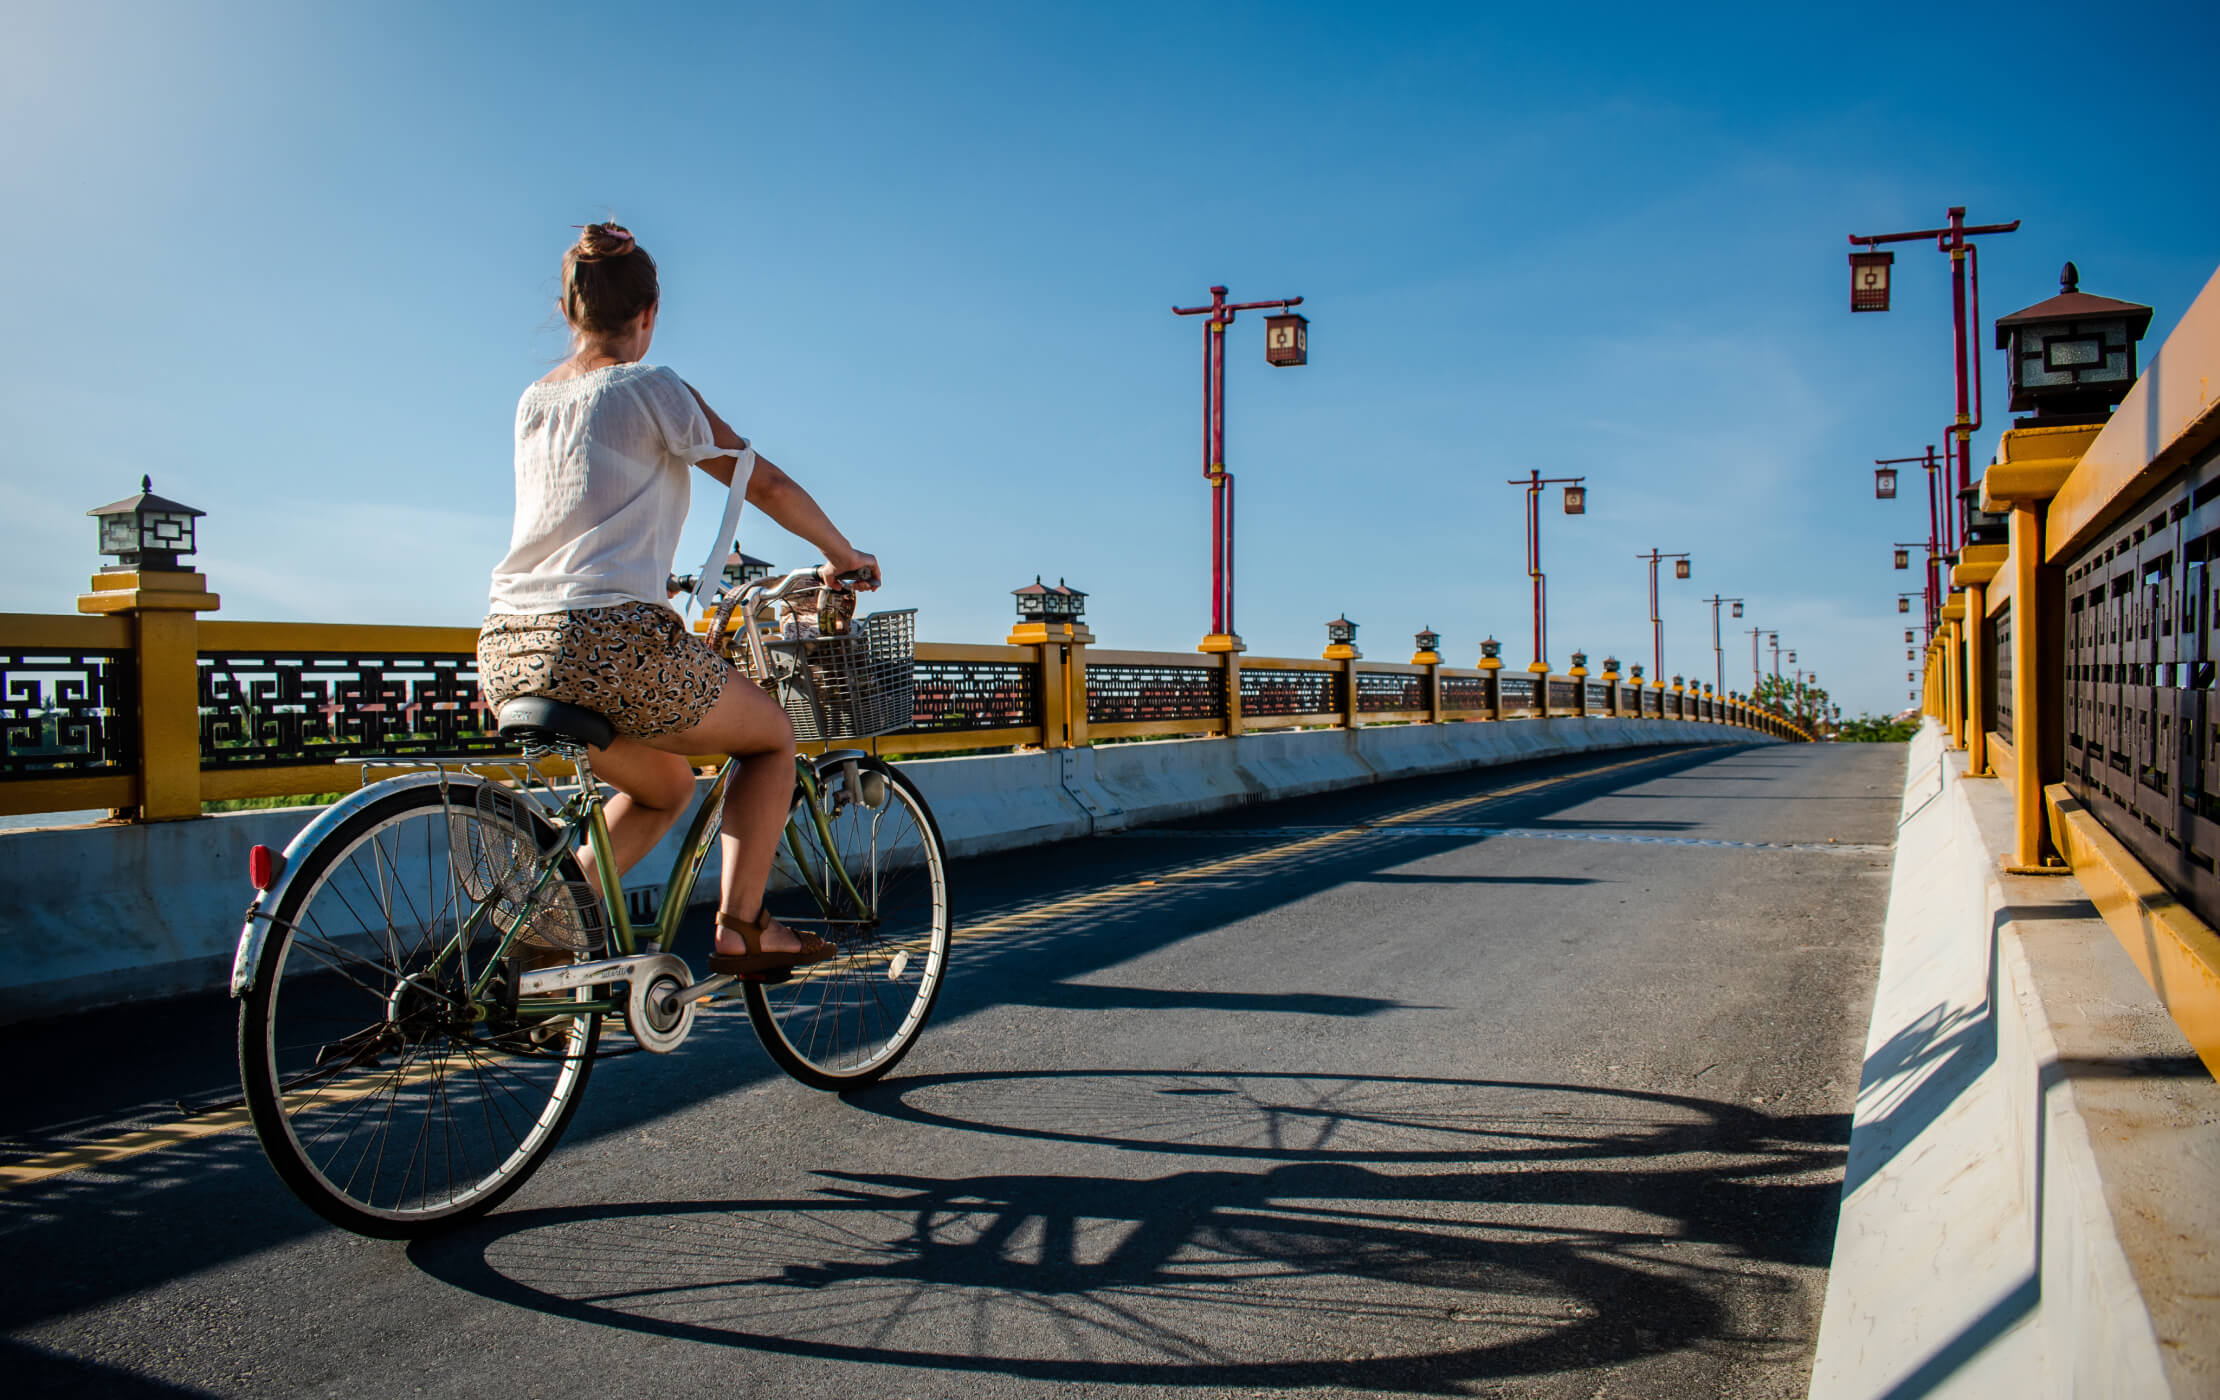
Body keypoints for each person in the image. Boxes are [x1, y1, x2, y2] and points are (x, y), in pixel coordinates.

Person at [477, 221, 879, 976]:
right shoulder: (651, 387)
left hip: (507, 647)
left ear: (569, 313)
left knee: (665, 788)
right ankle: (742, 925)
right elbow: (764, 482)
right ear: (649, 315)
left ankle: (544, 931)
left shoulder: (534, 403)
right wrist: (842, 554)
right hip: (609, 644)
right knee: (770, 738)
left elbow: (574, 523)